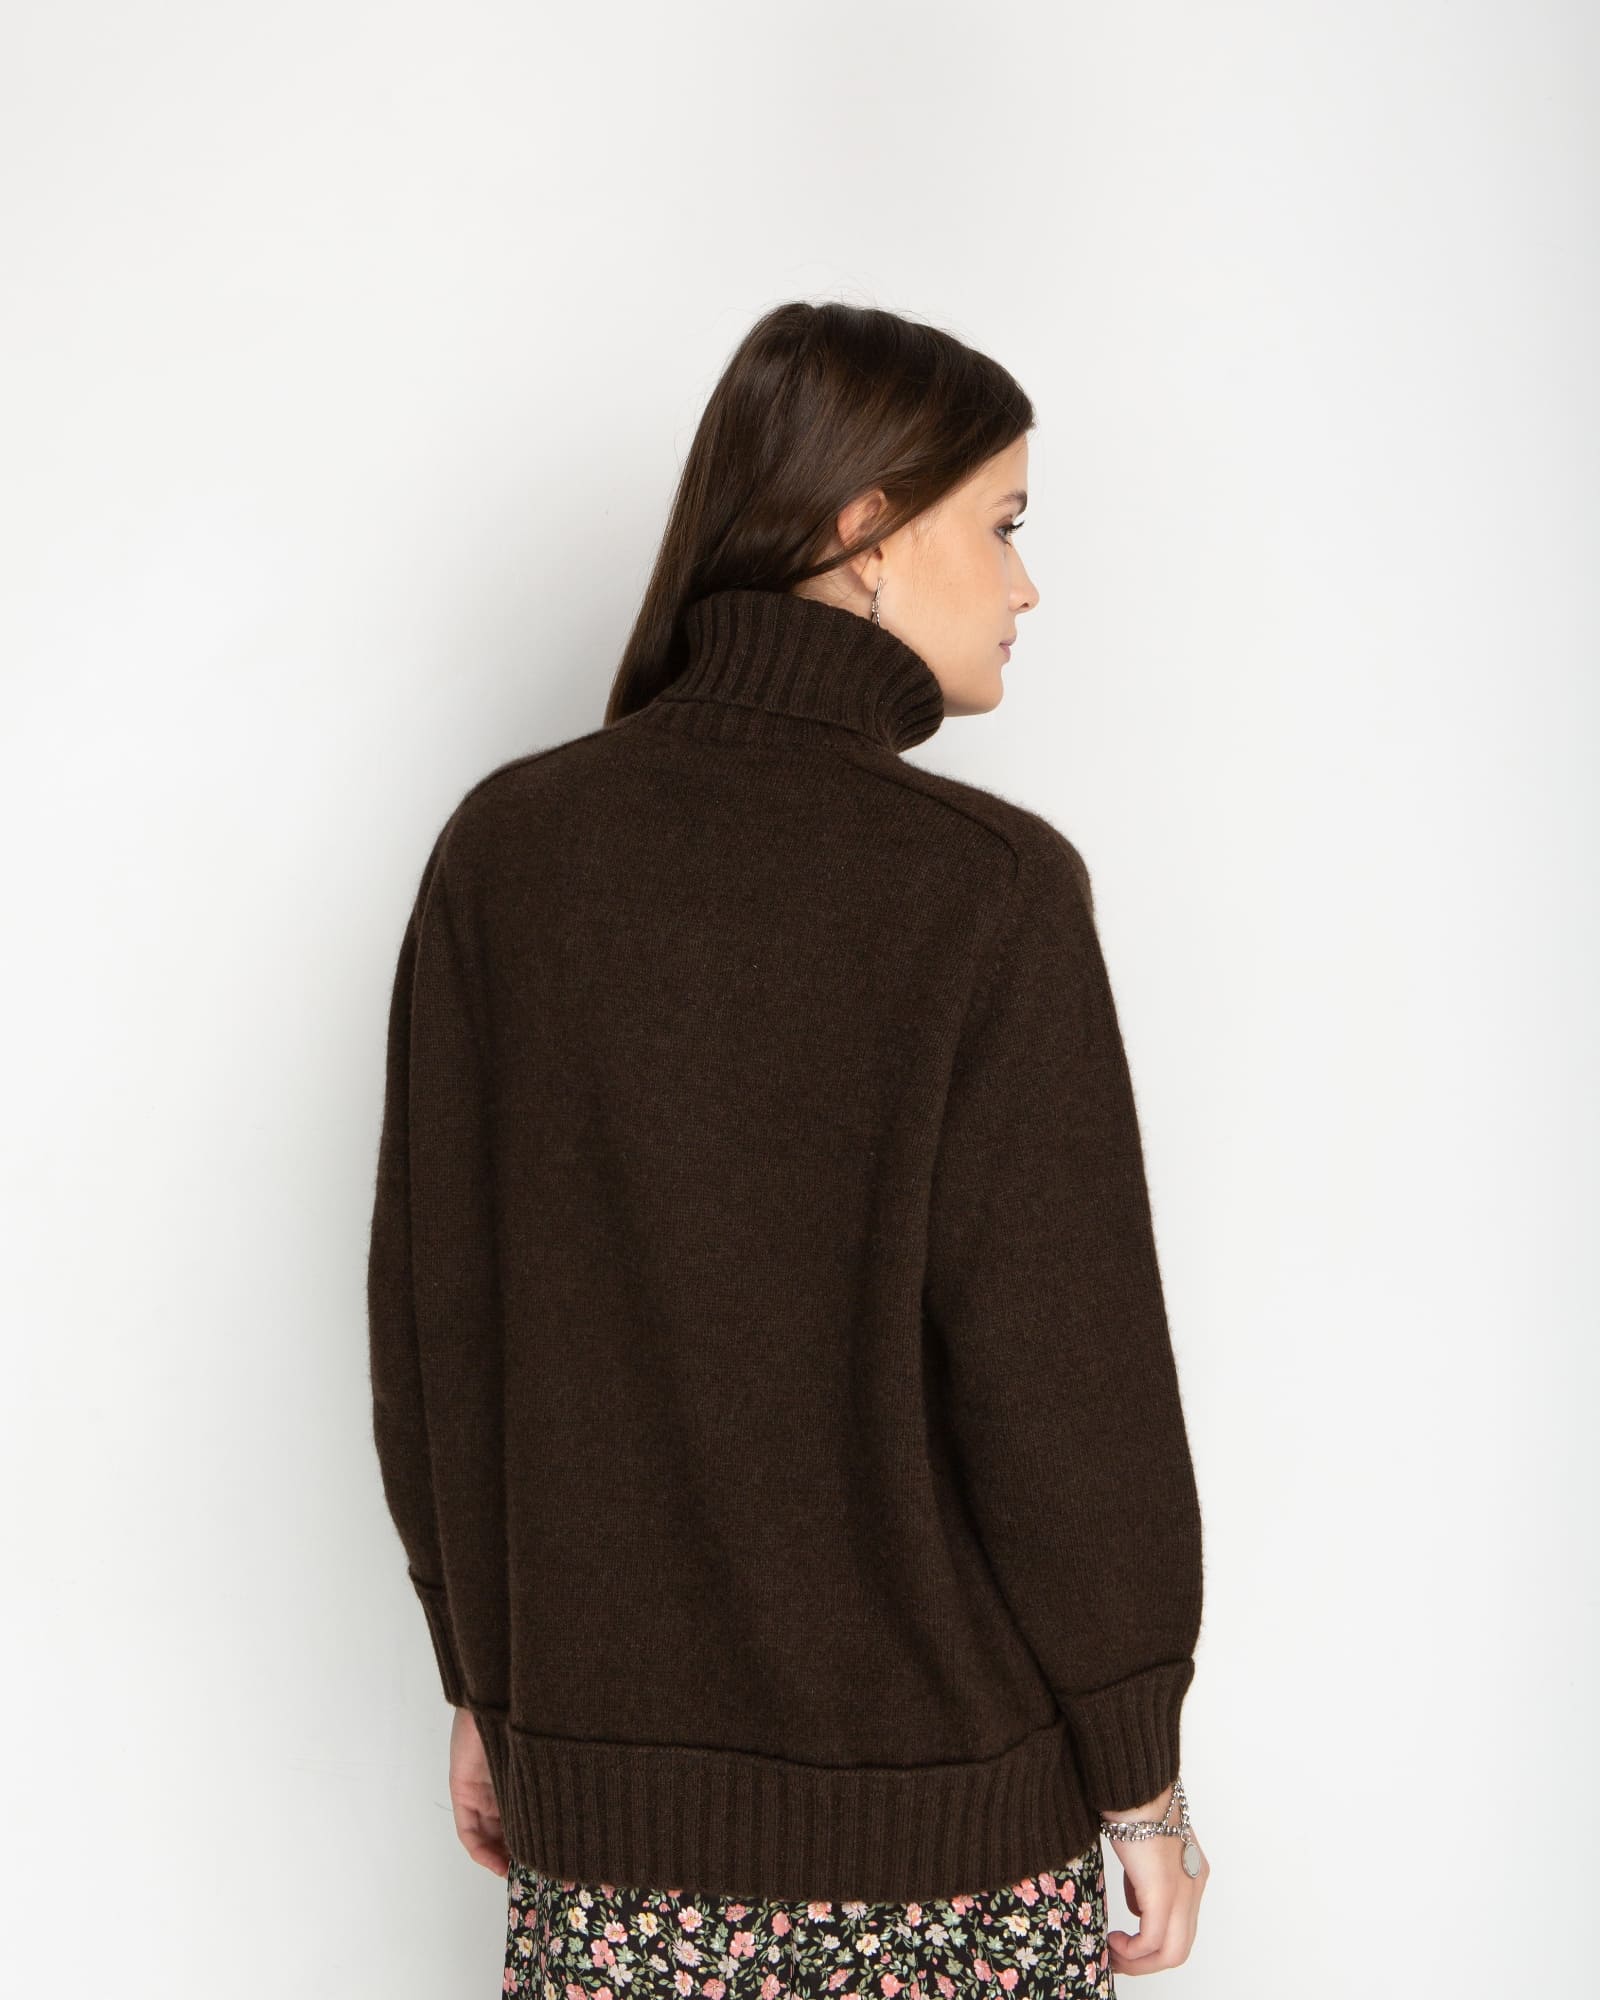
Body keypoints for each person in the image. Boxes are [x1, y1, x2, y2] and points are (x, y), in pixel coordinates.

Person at [366, 300, 1209, 1995]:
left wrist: (484, 1684)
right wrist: (1142, 1780)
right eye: (1004, 523)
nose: (1028, 585)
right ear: (867, 532)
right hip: (945, 1859)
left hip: (611, 1866)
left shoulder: (507, 855)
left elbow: (437, 1336)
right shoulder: (987, 894)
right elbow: (1067, 1390)